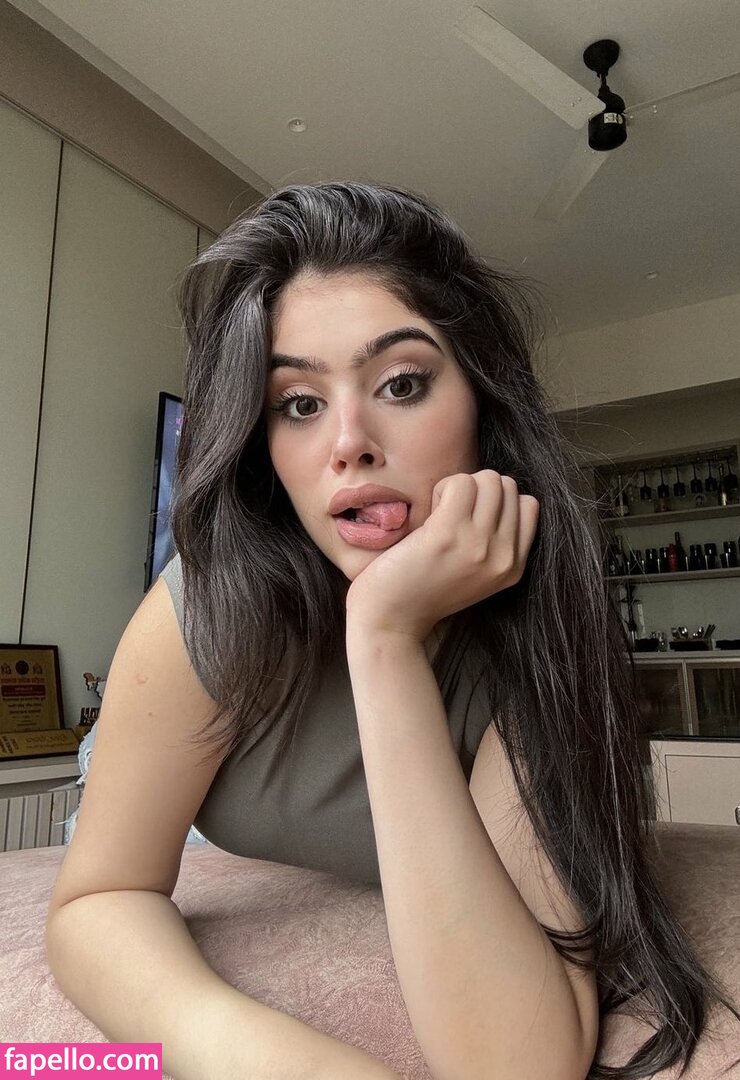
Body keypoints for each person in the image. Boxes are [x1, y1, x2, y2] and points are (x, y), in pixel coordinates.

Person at [45, 181, 739, 1080]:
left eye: (402, 384)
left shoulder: (537, 642)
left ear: (484, 403)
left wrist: (384, 638)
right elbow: (100, 895)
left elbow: (518, 1063)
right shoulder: (209, 604)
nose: (349, 443)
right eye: (298, 403)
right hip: (173, 791)